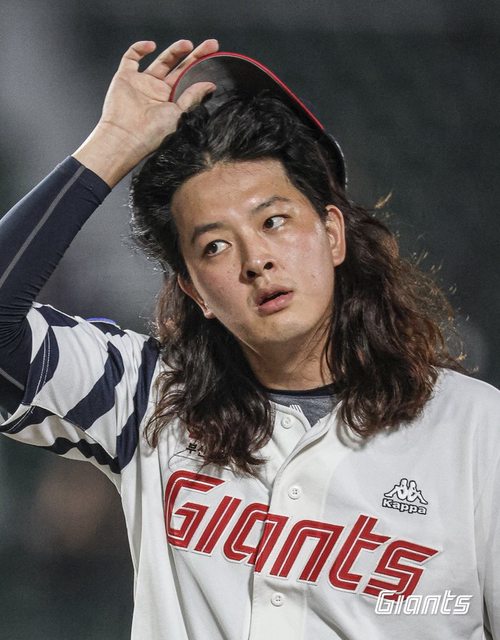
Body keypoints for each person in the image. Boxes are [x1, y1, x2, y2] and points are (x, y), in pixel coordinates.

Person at [0, 38, 498, 640]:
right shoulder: (146, 399)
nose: (255, 258)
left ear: (333, 234)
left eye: (274, 221)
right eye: (215, 245)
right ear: (194, 291)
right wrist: (112, 144)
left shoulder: (477, 430)